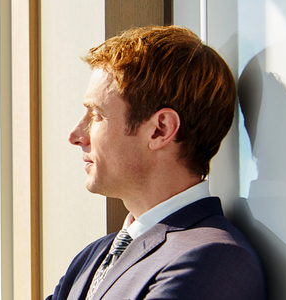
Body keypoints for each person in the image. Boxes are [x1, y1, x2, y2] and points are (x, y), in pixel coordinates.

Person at [46, 26, 266, 300]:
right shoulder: (93, 257)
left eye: (96, 115)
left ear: (160, 130)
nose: (75, 136)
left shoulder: (213, 257)